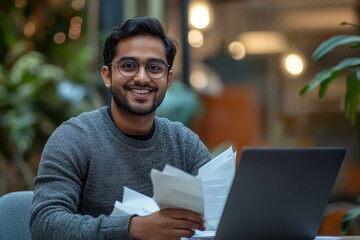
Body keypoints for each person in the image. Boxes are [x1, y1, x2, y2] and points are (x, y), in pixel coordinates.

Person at [30, 16, 211, 240]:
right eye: (128, 66)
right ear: (107, 75)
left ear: (168, 79)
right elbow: (44, 224)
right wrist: (134, 228)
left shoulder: (183, 143)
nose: (142, 78)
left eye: (154, 68)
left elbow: (220, 211)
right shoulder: (74, 138)